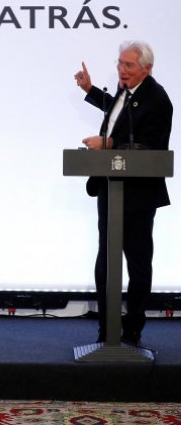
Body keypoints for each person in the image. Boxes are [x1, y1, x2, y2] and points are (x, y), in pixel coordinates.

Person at [74, 41, 173, 345]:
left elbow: (152, 148)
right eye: (120, 63)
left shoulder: (158, 100)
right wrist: (90, 90)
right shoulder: (125, 91)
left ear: (147, 68)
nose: (122, 70)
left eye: (129, 66)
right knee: (105, 263)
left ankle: (132, 332)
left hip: (139, 197)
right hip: (111, 190)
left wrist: (110, 145)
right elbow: (119, 114)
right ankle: (106, 331)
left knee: (138, 265)